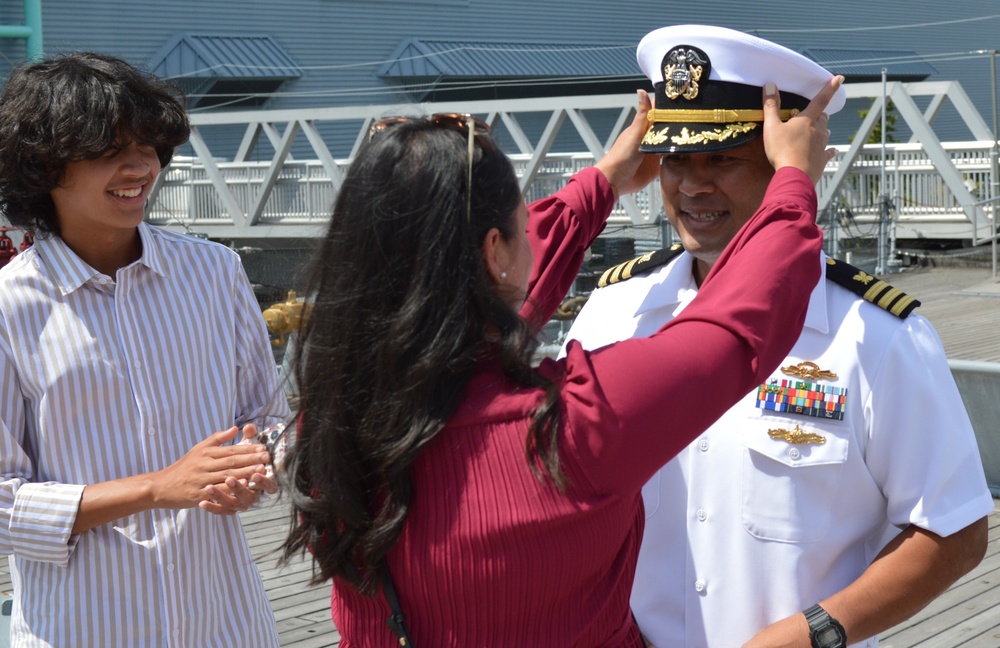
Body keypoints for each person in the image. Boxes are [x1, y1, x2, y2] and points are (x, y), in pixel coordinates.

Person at [278, 63, 841, 643]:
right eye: (524, 225)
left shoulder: (328, 425)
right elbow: (737, 327)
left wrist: (603, 183)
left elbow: (450, 302)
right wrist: (793, 180)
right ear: (495, 251)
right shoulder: (574, 428)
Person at [563, 24, 993, 648]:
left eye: (722, 159)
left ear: (784, 163)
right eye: (676, 158)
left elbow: (953, 529)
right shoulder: (611, 312)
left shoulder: (874, 335)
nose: (692, 185)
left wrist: (814, 632)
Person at [0, 52, 290, 646]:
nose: (139, 166)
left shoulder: (215, 272)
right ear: (43, 165)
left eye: (149, 146)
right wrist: (161, 486)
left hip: (224, 621)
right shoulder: (9, 306)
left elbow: (270, 420)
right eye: (108, 149)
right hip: (82, 629)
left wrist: (255, 464)